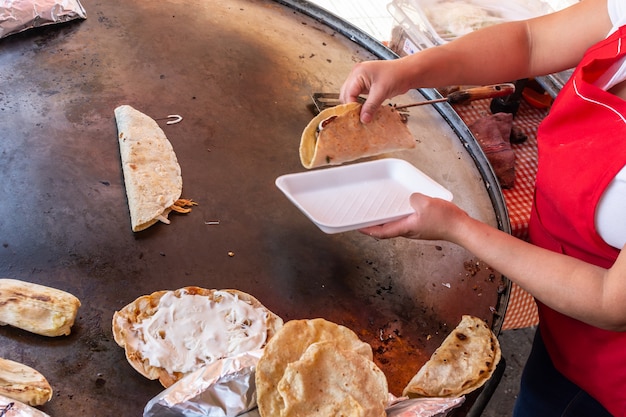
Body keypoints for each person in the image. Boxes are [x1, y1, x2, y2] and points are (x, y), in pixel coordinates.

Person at [339, 0, 626, 415]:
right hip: (565, 318)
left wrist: (459, 228)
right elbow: (530, 41)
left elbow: (609, 301)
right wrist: (410, 70)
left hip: (609, 368)